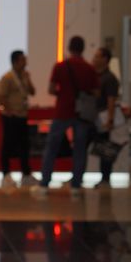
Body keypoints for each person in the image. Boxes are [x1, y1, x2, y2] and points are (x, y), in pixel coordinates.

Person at [33, 36, 99, 198]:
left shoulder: (60, 66)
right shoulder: (89, 68)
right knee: (80, 150)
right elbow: (96, 92)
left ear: (69, 48)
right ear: (83, 48)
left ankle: (44, 184)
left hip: (62, 111)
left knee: (51, 148)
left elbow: (51, 89)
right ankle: (76, 185)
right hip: (82, 115)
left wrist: (63, 94)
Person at [0, 50, 38, 189]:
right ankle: (6, 174)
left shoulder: (25, 76)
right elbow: (1, 97)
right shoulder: (7, 77)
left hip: (22, 115)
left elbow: (32, 92)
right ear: (15, 62)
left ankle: (26, 174)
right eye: (23, 60)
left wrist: (28, 79)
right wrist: (10, 111)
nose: (25, 62)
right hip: (11, 116)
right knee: (7, 145)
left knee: (24, 145)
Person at [91, 47, 120, 189]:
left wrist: (110, 119)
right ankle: (78, 175)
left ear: (105, 59)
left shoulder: (110, 78)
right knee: (83, 146)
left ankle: (105, 178)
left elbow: (111, 99)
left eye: (97, 56)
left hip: (102, 119)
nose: (94, 59)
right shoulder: (94, 76)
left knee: (104, 149)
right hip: (91, 117)